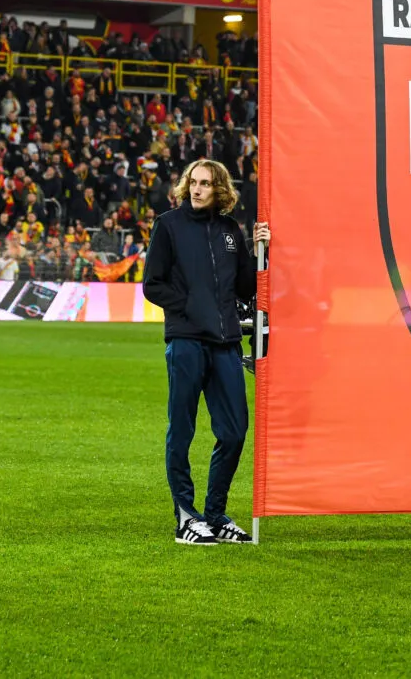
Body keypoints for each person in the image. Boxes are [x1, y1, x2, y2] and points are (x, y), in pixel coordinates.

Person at [142, 159, 270, 546]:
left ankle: (215, 515)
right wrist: (191, 306)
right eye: (193, 182)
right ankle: (186, 515)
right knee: (182, 430)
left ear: (219, 190)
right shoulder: (168, 225)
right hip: (185, 341)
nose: (197, 189)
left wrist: (260, 249)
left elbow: (246, 288)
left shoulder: (230, 230)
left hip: (226, 342)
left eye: (206, 184)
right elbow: (152, 285)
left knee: (234, 431)